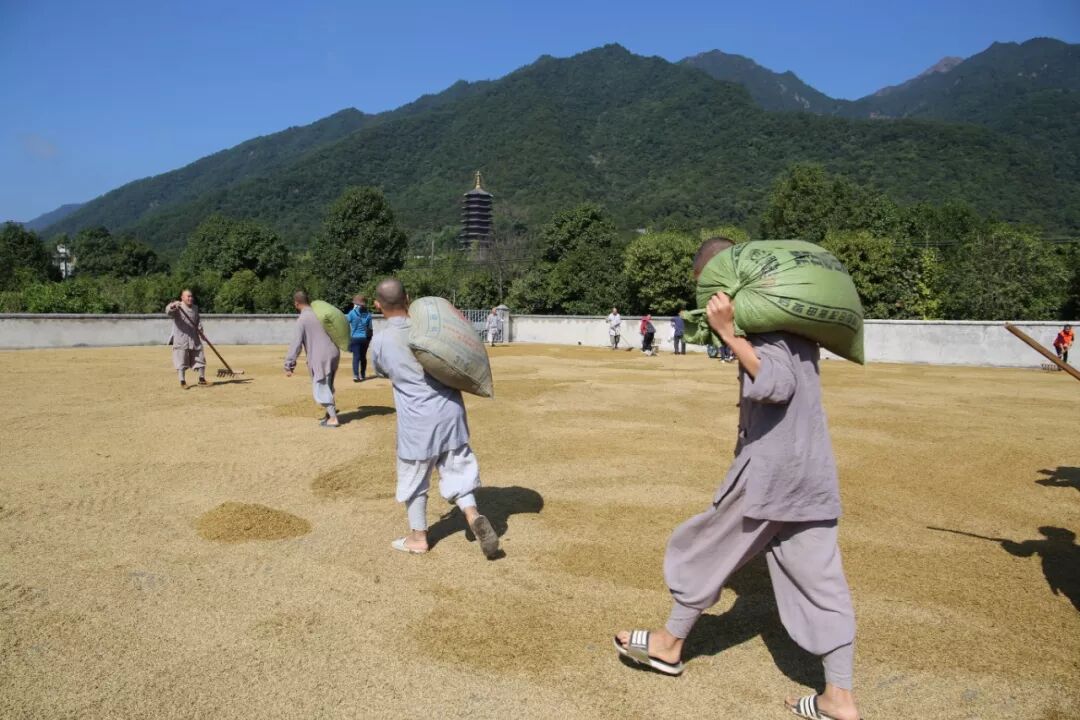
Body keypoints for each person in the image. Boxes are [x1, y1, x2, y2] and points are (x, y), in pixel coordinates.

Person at [614, 238, 861, 720]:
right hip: (811, 476)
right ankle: (840, 696)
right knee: (822, 581)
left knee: (702, 548)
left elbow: (775, 385)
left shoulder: (766, 333)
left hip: (770, 477)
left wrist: (728, 333)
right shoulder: (795, 329)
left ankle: (668, 644)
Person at [369, 277, 500, 560]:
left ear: (378, 305)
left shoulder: (381, 340)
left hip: (417, 422)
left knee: (415, 480)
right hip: (451, 415)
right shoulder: (430, 327)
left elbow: (380, 370)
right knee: (456, 470)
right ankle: (473, 514)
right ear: (408, 297)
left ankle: (418, 538)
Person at [284, 290, 341, 428]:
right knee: (328, 385)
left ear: (296, 303)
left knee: (321, 386)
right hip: (334, 352)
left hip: (320, 356)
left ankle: (333, 418)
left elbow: (296, 344)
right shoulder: (320, 313)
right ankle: (329, 415)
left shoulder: (302, 319)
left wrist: (289, 364)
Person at [165, 289, 207, 389]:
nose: (190, 298)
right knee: (181, 360)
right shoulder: (177, 306)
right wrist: (172, 306)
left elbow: (197, 321)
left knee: (200, 357)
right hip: (181, 338)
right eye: (188, 296)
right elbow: (168, 311)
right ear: (182, 297)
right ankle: (182, 381)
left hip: (194, 337)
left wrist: (201, 332)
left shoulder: (195, 308)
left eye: (191, 296)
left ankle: (202, 379)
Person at [346, 295, 374, 382]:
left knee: (356, 357)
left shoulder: (352, 313)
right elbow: (370, 329)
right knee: (363, 357)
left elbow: (346, 323)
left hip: (355, 338)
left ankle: (355, 375)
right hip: (365, 339)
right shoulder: (368, 315)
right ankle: (362, 374)